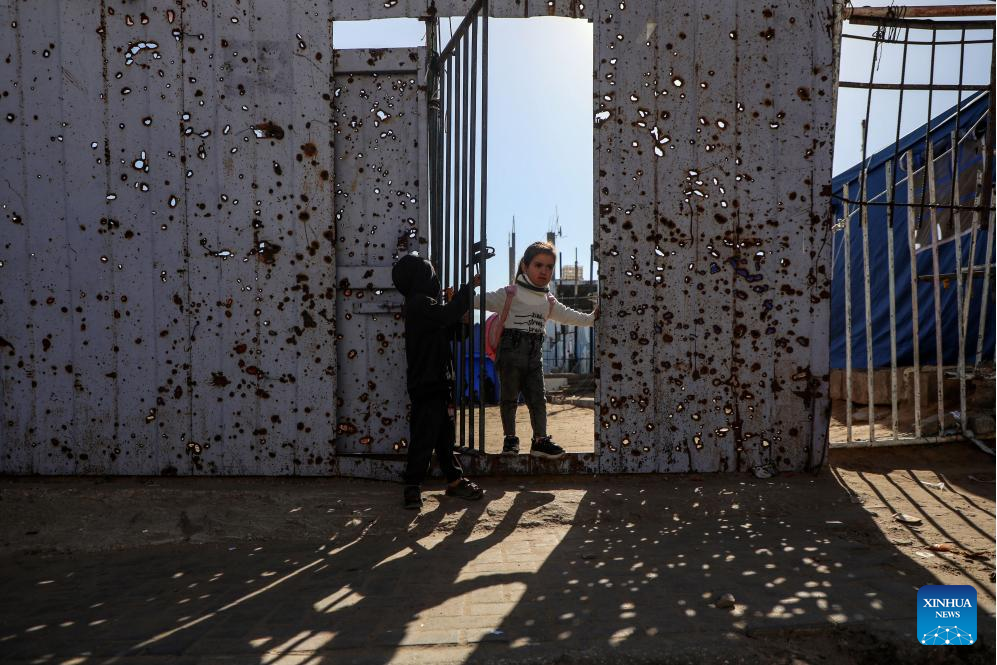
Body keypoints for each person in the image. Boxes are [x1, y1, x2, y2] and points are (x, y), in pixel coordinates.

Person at [477, 241, 598, 459]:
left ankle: (540, 441)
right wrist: (456, 300)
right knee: (509, 398)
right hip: (510, 354)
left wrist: (592, 319)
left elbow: (571, 315)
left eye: (549, 267)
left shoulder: (548, 301)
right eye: (538, 265)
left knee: (538, 399)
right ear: (525, 266)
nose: (544, 271)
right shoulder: (509, 294)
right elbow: (478, 301)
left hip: (534, 356)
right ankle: (510, 440)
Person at [392, 253, 485, 509]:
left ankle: (454, 480)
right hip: (427, 383)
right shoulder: (419, 303)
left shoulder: (427, 306)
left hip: (438, 382)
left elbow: (456, 333)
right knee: (424, 435)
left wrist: (459, 311)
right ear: (422, 277)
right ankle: (412, 486)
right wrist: (468, 290)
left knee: (443, 435)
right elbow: (445, 317)